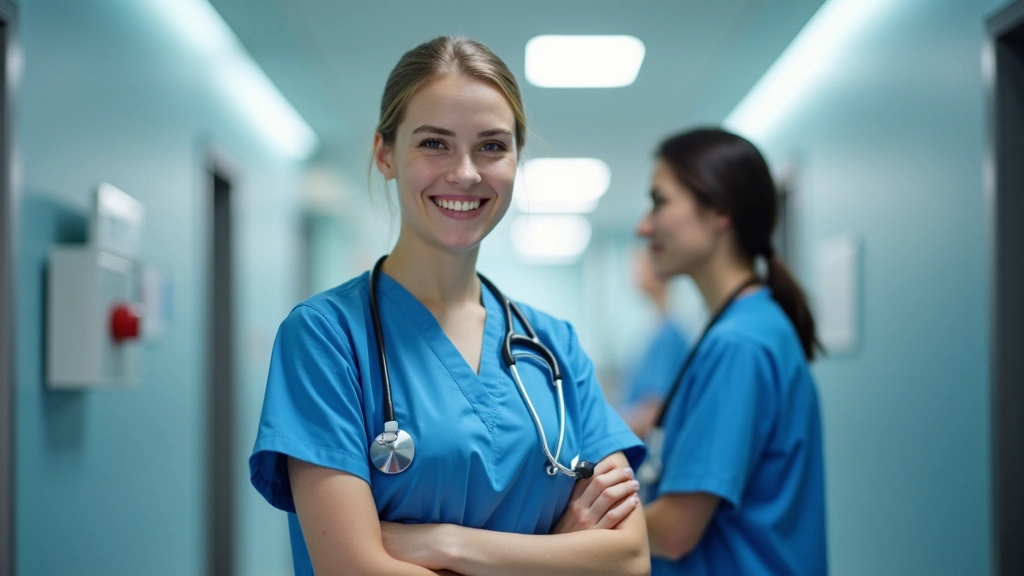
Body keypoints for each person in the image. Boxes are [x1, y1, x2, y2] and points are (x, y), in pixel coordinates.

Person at [248, 36, 650, 576]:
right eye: (434, 144)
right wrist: (558, 554)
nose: (465, 173)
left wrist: (445, 545)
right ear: (385, 154)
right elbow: (352, 569)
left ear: (515, 159)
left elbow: (628, 559)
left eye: (491, 146)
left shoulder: (553, 345)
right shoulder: (325, 338)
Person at [635, 128, 827, 574]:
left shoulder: (739, 345)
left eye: (659, 201)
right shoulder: (747, 327)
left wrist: (556, 537)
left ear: (719, 209)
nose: (644, 226)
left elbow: (675, 530)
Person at [618, 248, 690, 439]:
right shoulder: (656, 329)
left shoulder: (669, 335)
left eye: (640, 265)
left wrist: (602, 427)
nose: (634, 271)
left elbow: (653, 412)